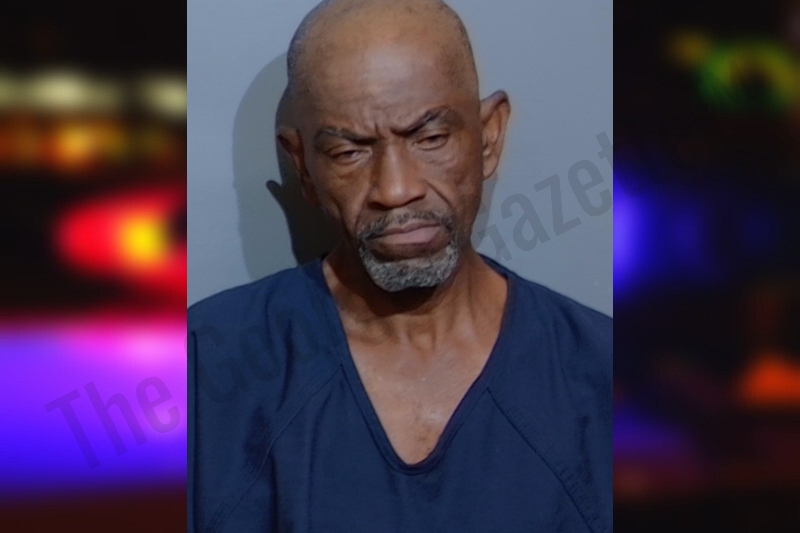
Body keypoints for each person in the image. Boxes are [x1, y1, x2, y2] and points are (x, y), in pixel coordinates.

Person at [188, 0, 611, 531]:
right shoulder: (201, 374)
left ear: (489, 136)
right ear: (304, 167)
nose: (395, 189)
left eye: (430, 139)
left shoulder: (604, 377)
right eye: (349, 152)